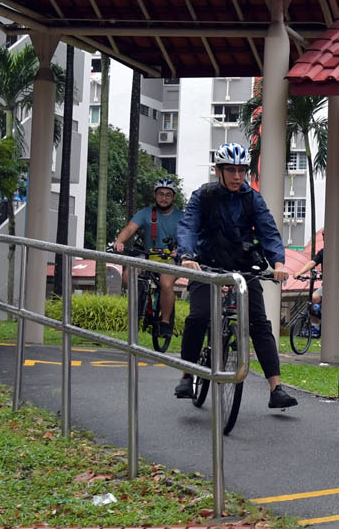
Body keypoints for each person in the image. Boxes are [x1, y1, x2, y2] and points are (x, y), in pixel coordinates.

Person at [173, 142, 299, 410]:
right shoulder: (203, 196)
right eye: (231, 170)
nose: (237, 176)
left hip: (243, 268)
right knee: (198, 316)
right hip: (206, 266)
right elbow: (188, 226)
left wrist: (278, 262)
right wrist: (187, 256)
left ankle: (276, 388)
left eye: (242, 170)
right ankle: (187, 376)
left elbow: (268, 231)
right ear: (218, 171)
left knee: (259, 323)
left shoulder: (252, 198)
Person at [112, 177, 181, 337]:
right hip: (149, 255)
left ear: (174, 197)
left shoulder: (181, 217)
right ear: (155, 195)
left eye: (168, 195)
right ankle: (141, 300)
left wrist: (180, 250)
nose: (164, 198)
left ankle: (165, 322)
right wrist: (119, 241)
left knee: (166, 284)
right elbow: (130, 229)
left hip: (169, 258)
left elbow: (188, 236)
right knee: (128, 276)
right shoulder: (145, 213)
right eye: (160, 194)